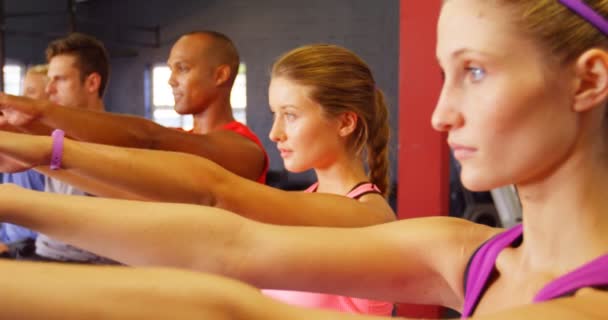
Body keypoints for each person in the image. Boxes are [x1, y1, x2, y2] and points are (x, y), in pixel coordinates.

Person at [1, 0, 608, 318]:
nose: (440, 113)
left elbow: (216, 206)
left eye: (474, 71)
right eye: (445, 75)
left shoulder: (580, 308)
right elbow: (226, 242)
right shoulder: (470, 254)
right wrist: (27, 176)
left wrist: (49, 148)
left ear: (589, 80)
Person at [0, 44, 396, 314]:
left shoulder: (365, 218)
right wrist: (38, 158)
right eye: (275, 114)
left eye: (290, 115)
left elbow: (212, 193)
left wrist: (48, 149)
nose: (275, 132)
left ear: (345, 122)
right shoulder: (312, 199)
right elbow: (160, 205)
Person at [0, 31, 268, 186]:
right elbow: (103, 173)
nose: (171, 79)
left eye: (183, 68)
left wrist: (36, 110)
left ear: (220, 75)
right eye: (171, 68)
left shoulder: (244, 148)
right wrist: (25, 139)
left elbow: (149, 138)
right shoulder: (181, 136)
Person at [0, 64, 48, 254]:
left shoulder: (49, 150)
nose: (21, 100)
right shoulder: (14, 141)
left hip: (28, 248)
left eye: (30, 93)